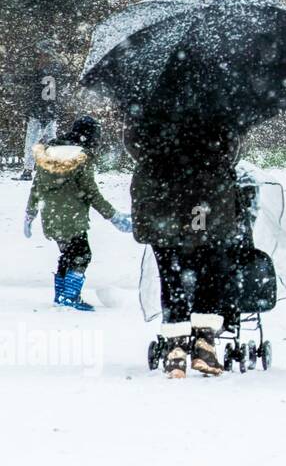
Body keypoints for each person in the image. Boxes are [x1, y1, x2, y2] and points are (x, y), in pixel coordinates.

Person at [128, 119, 245, 378]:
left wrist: (161, 158)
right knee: (209, 270)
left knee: (171, 275)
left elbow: (134, 143)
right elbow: (231, 148)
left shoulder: (149, 97)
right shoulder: (216, 100)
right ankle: (204, 343)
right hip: (206, 196)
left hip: (161, 199)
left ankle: (176, 349)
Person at [23, 116, 132, 311]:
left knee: (68, 254)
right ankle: (70, 297)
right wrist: (113, 216)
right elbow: (91, 192)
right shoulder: (81, 156)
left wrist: (30, 213)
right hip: (71, 217)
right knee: (82, 254)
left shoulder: (48, 152)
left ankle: (61, 296)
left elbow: (36, 186)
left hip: (52, 216)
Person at [16, 40, 70, 181]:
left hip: (38, 112)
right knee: (51, 141)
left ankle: (28, 170)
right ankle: (56, 170)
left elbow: (31, 88)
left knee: (32, 142)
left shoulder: (40, 72)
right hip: (51, 112)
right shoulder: (57, 72)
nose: (39, 57)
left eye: (41, 55)